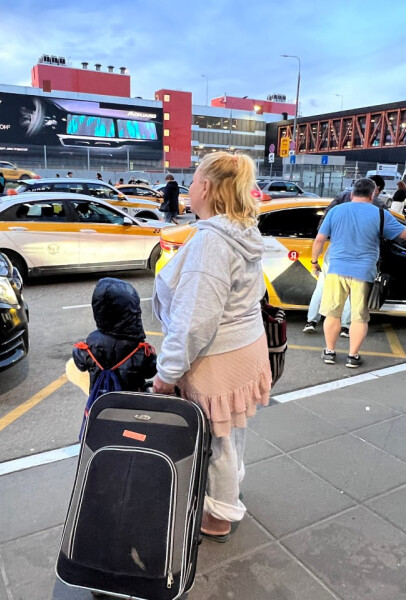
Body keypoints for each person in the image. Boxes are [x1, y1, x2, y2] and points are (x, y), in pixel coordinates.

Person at [152, 152, 271, 543]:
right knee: (231, 428)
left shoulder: (211, 242)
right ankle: (231, 488)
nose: (189, 187)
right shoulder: (241, 229)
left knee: (214, 439)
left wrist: (167, 374)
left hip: (216, 358)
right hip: (244, 347)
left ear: (205, 186)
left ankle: (219, 514)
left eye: (193, 180)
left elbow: (194, 320)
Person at [310, 178, 406, 368]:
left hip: (337, 269)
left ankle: (329, 352)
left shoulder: (336, 210)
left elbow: (320, 239)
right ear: (372, 195)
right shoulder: (380, 214)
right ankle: (353, 357)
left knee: (332, 314)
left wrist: (314, 263)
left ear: (352, 194)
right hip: (364, 272)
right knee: (359, 316)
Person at [73, 278, 158, 435]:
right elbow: (151, 370)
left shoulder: (92, 343)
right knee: (133, 436)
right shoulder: (138, 348)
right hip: (132, 411)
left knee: (104, 435)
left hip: (102, 408)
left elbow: (80, 361)